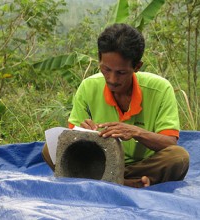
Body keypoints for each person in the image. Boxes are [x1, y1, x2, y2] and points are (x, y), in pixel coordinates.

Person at [42, 23, 189, 188]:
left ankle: (111, 181)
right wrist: (83, 133)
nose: (112, 79)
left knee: (179, 157)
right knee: (49, 148)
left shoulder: (160, 89)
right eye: (106, 69)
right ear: (99, 60)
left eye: (121, 72)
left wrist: (135, 132)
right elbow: (71, 139)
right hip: (99, 162)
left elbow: (169, 143)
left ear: (137, 67)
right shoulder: (88, 87)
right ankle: (131, 184)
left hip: (142, 165)